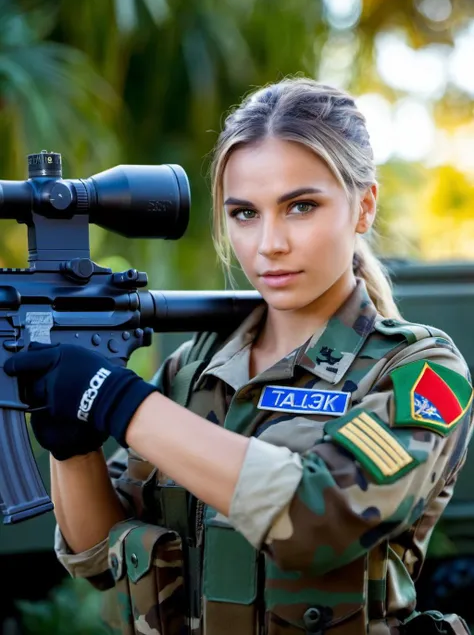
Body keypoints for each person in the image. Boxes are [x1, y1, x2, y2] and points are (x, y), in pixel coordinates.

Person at [5, 77, 474, 635]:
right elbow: (97, 557)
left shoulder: (420, 371)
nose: (268, 243)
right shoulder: (194, 367)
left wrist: (117, 401)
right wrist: (73, 446)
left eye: (300, 206)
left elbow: (316, 520)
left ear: (364, 206)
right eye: (245, 213)